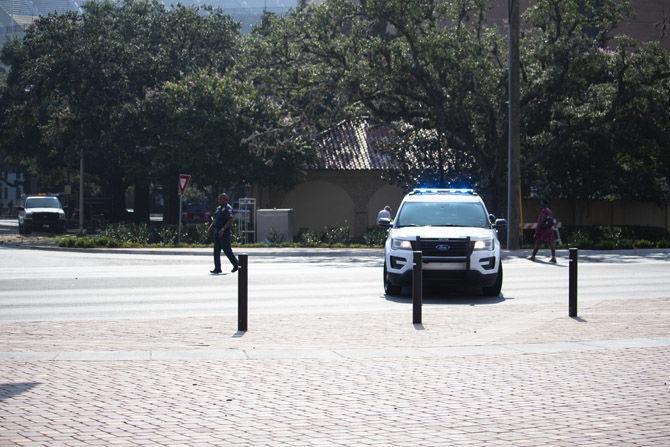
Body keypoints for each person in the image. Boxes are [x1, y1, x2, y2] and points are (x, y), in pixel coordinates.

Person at [208, 193, 239, 274]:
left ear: (226, 200)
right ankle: (217, 268)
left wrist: (223, 229)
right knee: (216, 251)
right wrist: (211, 226)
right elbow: (215, 219)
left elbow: (230, 220)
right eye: (219, 199)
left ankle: (237, 264)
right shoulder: (218, 208)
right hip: (217, 231)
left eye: (221, 199)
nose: (219, 200)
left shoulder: (228, 208)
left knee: (227, 250)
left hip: (224, 232)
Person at [529, 199, 557, 263]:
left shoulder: (544, 211)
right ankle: (553, 257)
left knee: (538, 242)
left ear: (544, 204)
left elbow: (541, 221)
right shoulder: (549, 211)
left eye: (542, 203)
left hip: (543, 230)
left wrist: (537, 230)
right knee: (551, 243)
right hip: (549, 229)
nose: (541, 205)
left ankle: (533, 256)